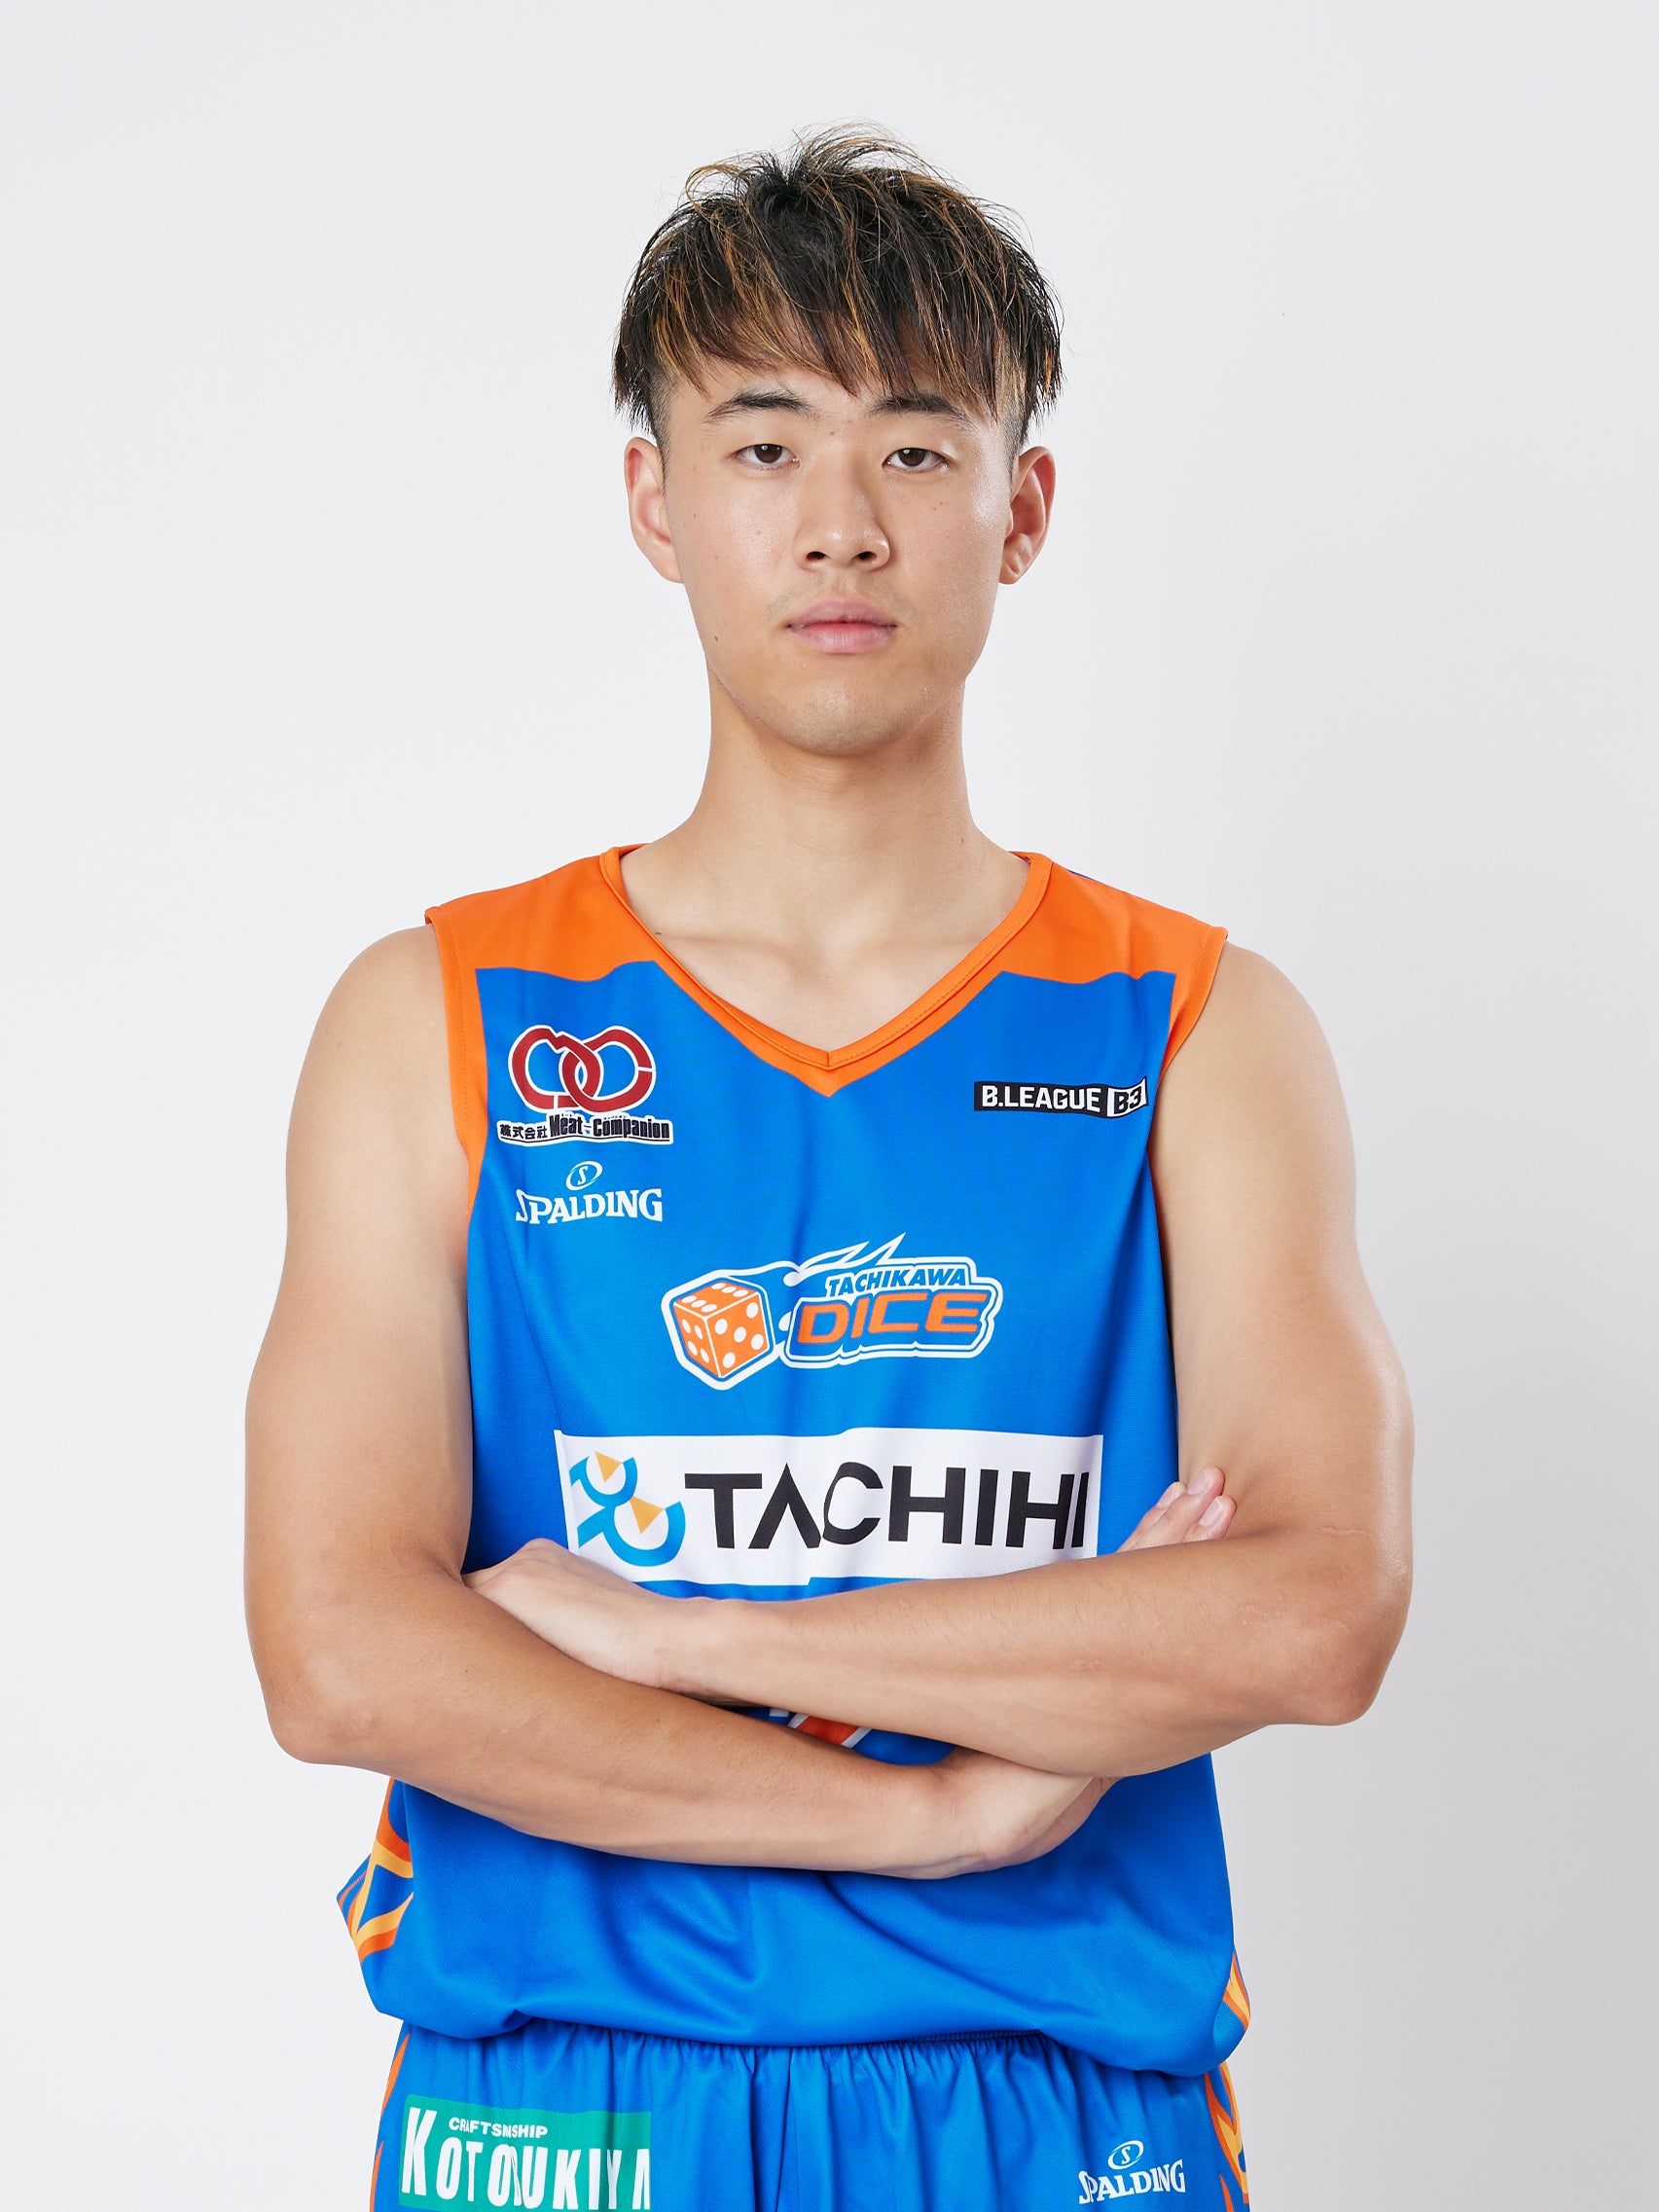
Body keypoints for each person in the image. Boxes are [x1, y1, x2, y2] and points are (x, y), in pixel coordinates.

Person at [246, 129, 1412, 2212]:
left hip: (1051, 2104)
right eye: (766, 444)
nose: (841, 523)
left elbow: (1316, 1612)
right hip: (572, 2105)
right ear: (655, 501)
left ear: (1019, 507)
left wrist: (673, 1631)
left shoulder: (1194, 1030)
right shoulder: (440, 1015)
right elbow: (339, 1650)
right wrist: (929, 1814)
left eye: (917, 448)